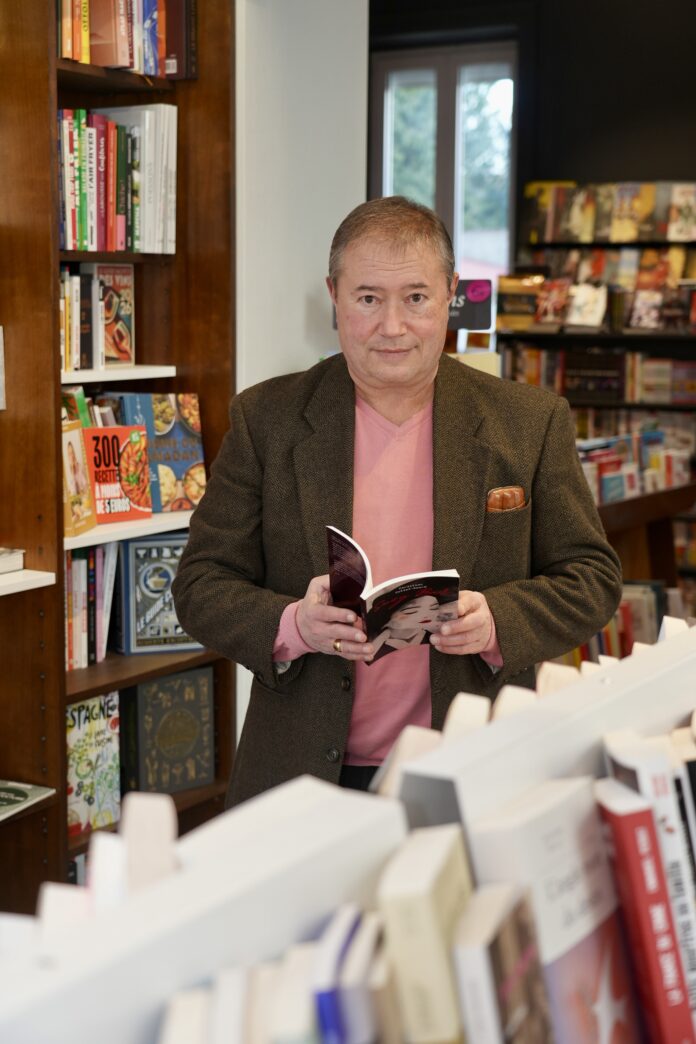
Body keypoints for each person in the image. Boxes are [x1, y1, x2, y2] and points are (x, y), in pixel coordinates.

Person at [172, 195, 622, 806]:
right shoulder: (268, 419)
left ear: (449, 295)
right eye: (367, 299)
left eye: (415, 298)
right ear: (333, 296)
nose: (392, 326)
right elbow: (201, 583)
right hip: (300, 775)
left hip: (477, 767)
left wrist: (497, 621)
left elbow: (592, 578)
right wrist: (294, 625)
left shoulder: (529, 422)